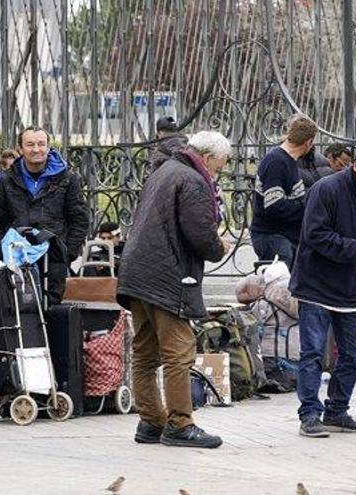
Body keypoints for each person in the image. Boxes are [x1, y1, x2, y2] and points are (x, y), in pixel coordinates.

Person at [116, 131, 232, 449]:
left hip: (137, 271)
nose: (216, 173)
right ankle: (180, 423)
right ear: (206, 158)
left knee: (145, 351)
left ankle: (151, 421)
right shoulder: (192, 179)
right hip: (167, 276)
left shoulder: (163, 170)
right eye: (218, 167)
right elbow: (200, 236)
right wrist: (219, 245)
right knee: (179, 351)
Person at [290, 143, 356, 438]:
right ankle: (310, 414)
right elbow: (315, 235)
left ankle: (337, 410)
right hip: (315, 284)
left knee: (355, 352)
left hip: (352, 289)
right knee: (312, 353)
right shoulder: (326, 190)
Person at [0, 126, 89, 305]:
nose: (36, 149)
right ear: (20, 149)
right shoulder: (7, 180)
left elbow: (79, 218)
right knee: (20, 311)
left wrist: (67, 252)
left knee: (51, 312)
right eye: (30, 144)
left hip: (54, 258)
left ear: (49, 147)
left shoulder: (68, 178)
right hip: (17, 258)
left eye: (41, 144)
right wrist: (1, 252)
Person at [250, 114, 317, 268]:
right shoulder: (277, 162)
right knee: (278, 289)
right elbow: (274, 206)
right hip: (274, 238)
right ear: (309, 142)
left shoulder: (287, 160)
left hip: (283, 238)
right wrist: (307, 203)